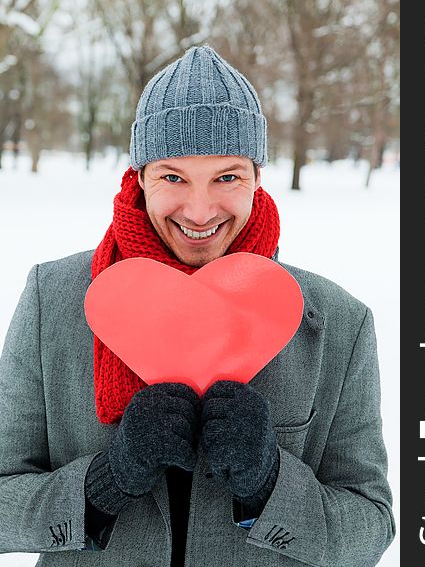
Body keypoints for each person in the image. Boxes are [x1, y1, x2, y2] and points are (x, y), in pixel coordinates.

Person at [0, 45, 395, 566]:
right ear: (139, 177)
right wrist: (100, 485)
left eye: (227, 177)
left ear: (257, 175)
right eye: (173, 176)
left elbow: (371, 525)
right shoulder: (55, 300)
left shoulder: (338, 323)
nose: (200, 210)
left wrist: (270, 486)